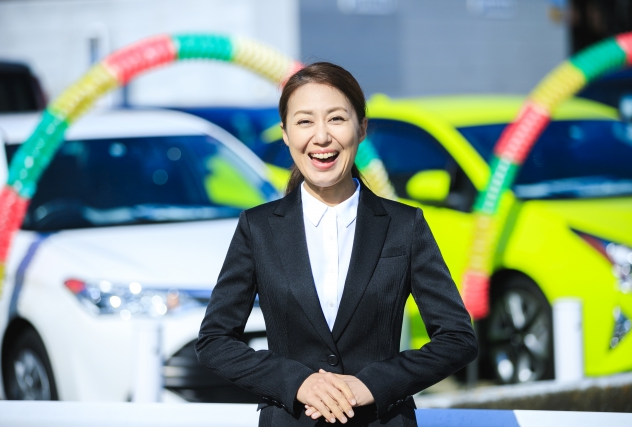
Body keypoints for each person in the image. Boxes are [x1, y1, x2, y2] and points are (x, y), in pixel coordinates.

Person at [196, 62, 478, 427]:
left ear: (361, 128)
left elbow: (457, 338)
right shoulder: (259, 228)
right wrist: (298, 383)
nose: (321, 137)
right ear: (285, 134)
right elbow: (215, 341)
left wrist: (372, 384)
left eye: (336, 119)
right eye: (305, 121)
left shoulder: (404, 225)